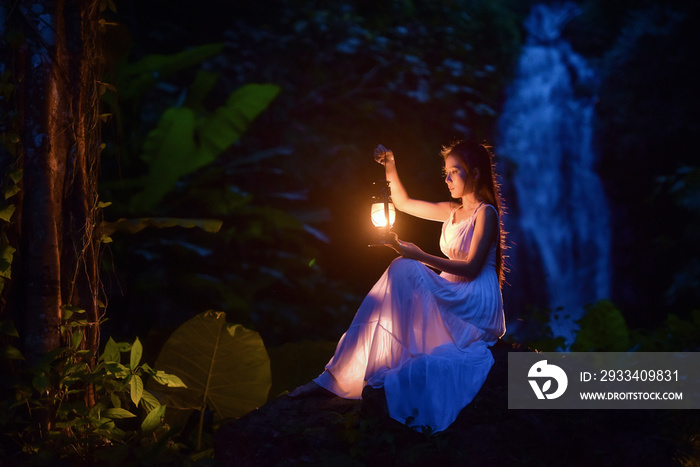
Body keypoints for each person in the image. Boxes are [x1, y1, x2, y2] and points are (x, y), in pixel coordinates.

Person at [290, 140, 507, 433]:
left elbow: (471, 268)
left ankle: (340, 376)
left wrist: (418, 254)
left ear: (476, 173)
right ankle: (334, 377)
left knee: (406, 267)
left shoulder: (486, 214)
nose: (447, 179)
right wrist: (390, 165)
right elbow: (403, 204)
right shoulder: (452, 211)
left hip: (475, 301)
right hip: (452, 291)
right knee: (402, 268)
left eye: (455, 172)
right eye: (445, 172)